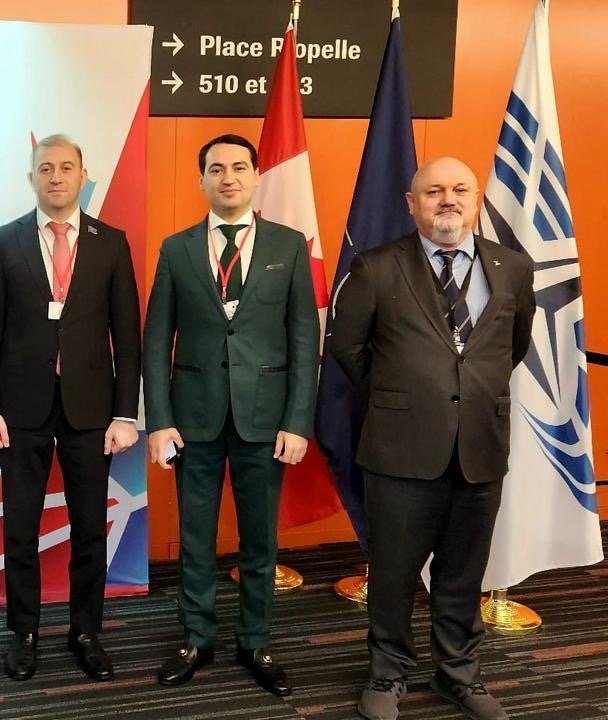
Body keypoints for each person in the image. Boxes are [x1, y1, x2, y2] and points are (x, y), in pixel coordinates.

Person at [329, 157, 535, 720]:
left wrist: (462, 394)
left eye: (460, 189)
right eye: (434, 190)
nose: (448, 199)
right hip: (400, 449)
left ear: (476, 200)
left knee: (464, 572)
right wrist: (404, 395)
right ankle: (387, 672)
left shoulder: (513, 268)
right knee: (393, 572)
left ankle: (459, 674)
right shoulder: (376, 266)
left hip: (480, 446)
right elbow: (348, 348)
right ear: (412, 203)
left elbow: (512, 346)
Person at [143, 134, 318, 697]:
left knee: (259, 542)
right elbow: (156, 340)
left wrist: (297, 421)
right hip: (192, 419)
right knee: (195, 538)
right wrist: (159, 420)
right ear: (202, 180)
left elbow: (304, 339)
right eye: (216, 169)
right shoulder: (177, 249)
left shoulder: (289, 246)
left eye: (239, 167)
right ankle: (196, 638)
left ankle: (255, 640)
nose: (228, 177)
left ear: (255, 175)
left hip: (265, 420)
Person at [0, 134, 141, 683]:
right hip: (20, 410)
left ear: (82, 176)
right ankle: (23, 632)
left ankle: (85, 631)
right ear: (32, 178)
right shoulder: (5, 241)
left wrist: (125, 414)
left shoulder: (110, 242)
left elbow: (128, 336)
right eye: (45, 168)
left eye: (66, 167)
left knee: (89, 528)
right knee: (20, 528)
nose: (56, 177)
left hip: (91, 412)